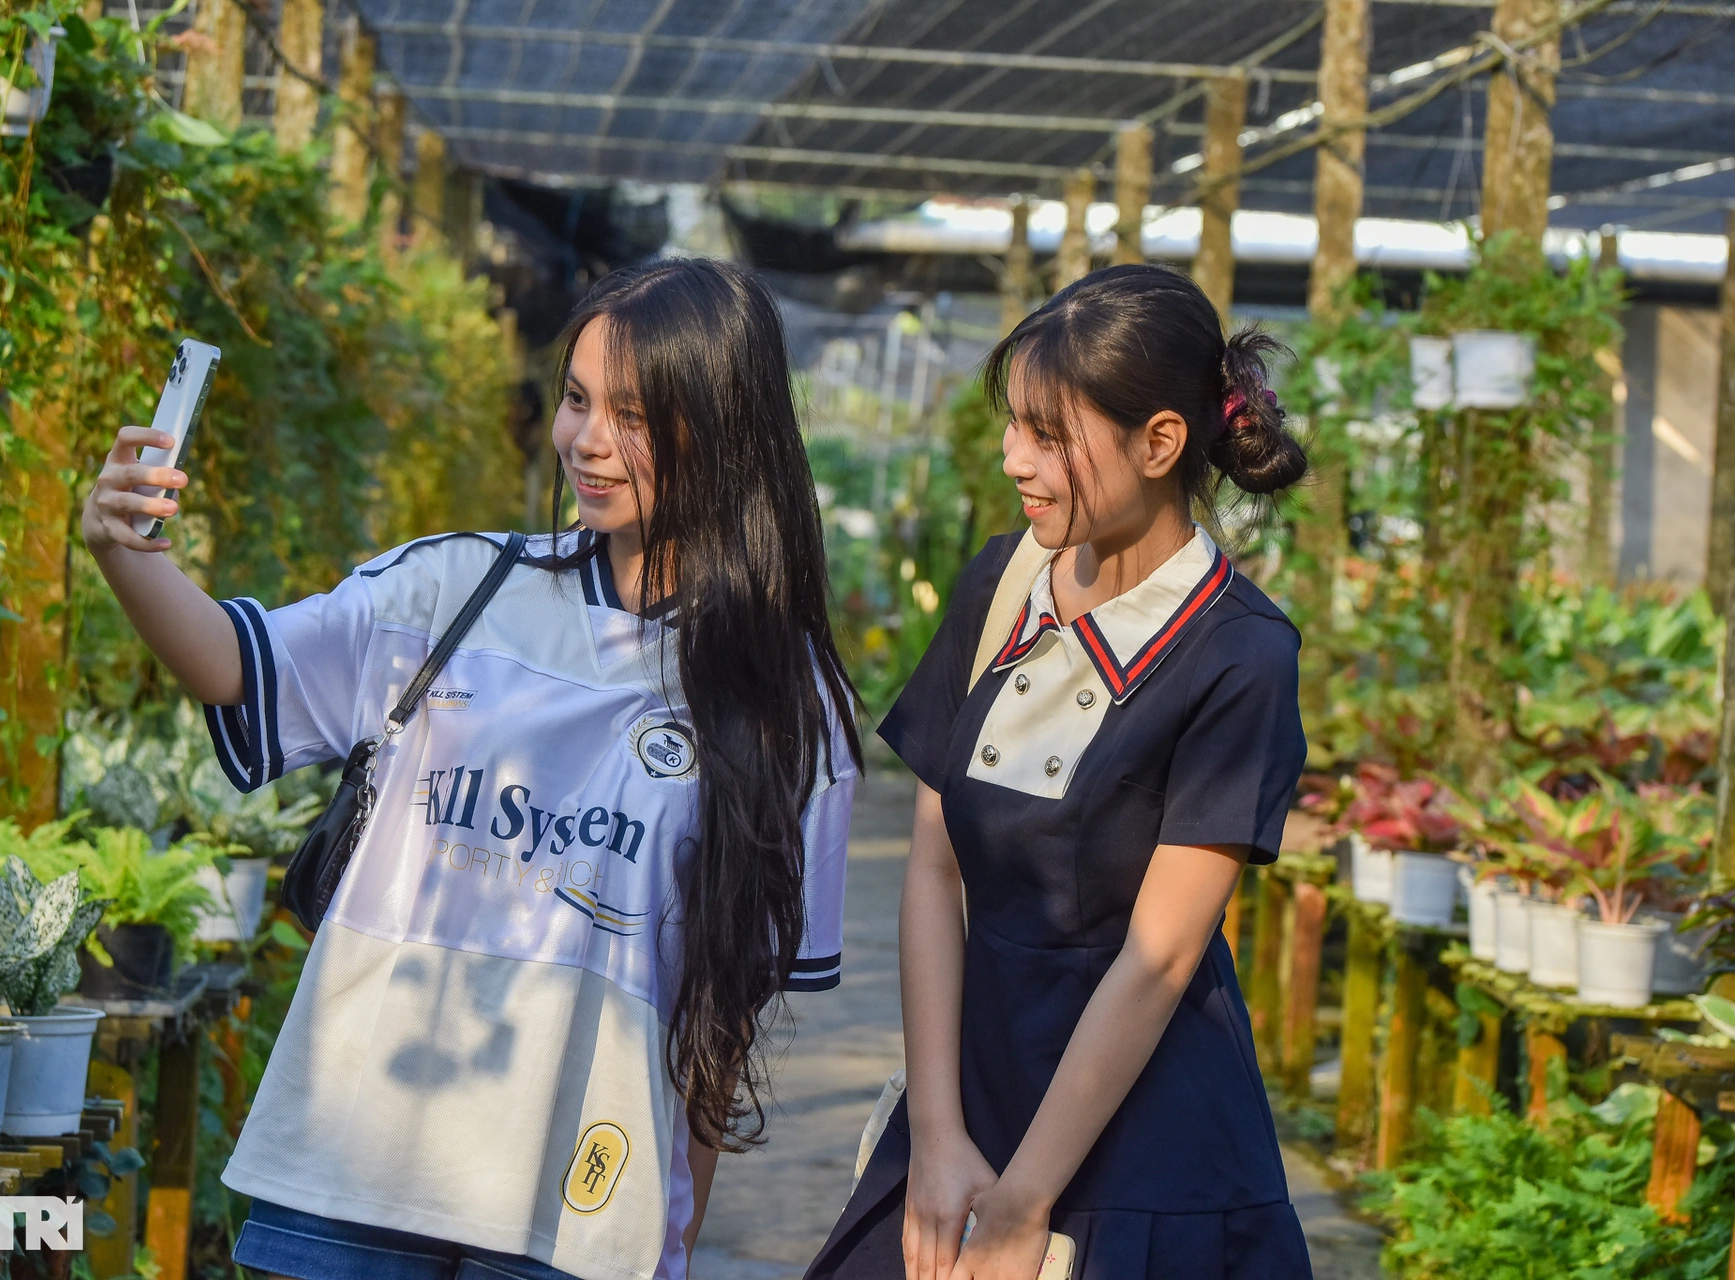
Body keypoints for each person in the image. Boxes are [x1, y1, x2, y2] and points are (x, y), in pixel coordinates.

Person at [81, 258, 863, 1280]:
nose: (586, 439)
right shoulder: (456, 588)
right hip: (349, 1173)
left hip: (573, 1219)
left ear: (721, 425)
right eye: (577, 400)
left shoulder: (789, 705)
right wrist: (123, 551)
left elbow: (722, 1016)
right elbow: (238, 668)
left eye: (631, 412)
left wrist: (664, 1236)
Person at [807, 264, 1313, 1280]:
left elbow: (1162, 958)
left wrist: (1025, 1197)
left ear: (1161, 441)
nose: (1013, 459)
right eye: (1014, 427)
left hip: (1146, 1148)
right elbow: (934, 869)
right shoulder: (1003, 582)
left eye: (1048, 434)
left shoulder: (1238, 653)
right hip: (971, 1095)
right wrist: (939, 1135)